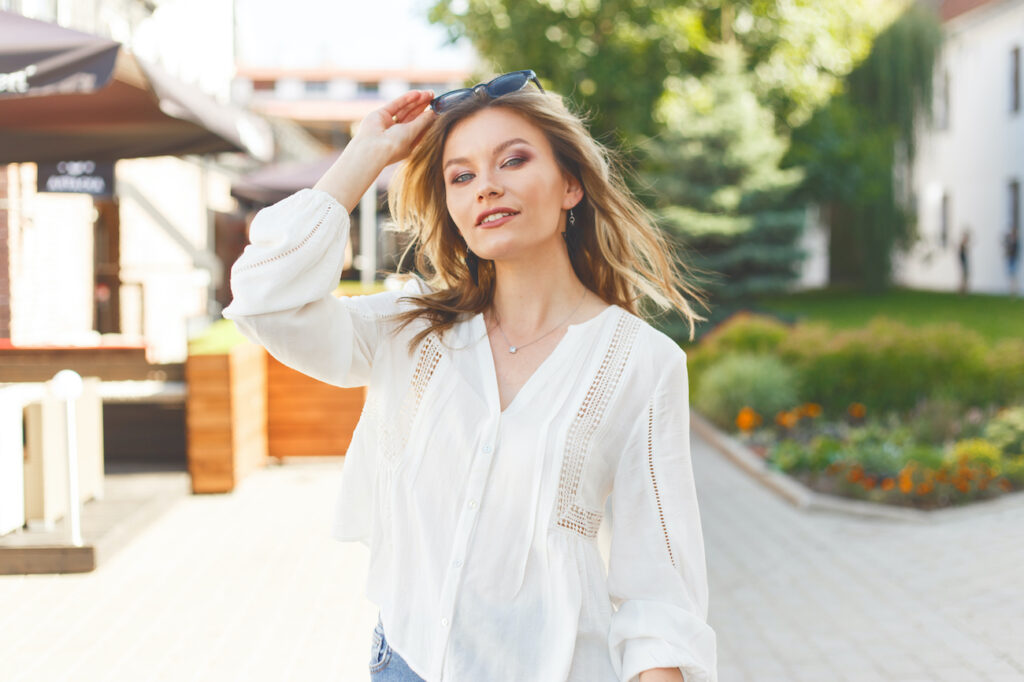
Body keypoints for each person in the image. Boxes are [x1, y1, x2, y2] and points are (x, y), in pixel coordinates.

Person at [222, 71, 717, 682]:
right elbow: (264, 299)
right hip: (408, 662)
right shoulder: (409, 329)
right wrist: (366, 154)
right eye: (461, 176)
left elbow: (660, 585)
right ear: (452, 208)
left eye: (512, 160)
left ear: (570, 185)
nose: (486, 187)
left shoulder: (642, 361)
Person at [1005, 229, 1020, 295]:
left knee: (1013, 276)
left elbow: (1014, 251)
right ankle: (1012, 290)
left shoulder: (1015, 242)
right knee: (1011, 276)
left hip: (1013, 260)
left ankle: (1014, 291)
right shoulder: (1011, 242)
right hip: (1011, 259)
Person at [958, 229, 971, 295]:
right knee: (964, 276)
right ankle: (962, 290)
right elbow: (961, 255)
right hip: (964, 263)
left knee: (965, 276)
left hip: (964, 262)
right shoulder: (962, 245)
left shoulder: (963, 245)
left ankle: (964, 290)